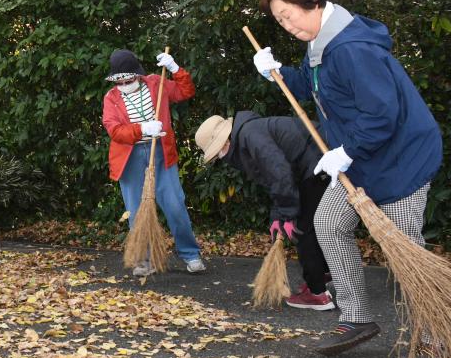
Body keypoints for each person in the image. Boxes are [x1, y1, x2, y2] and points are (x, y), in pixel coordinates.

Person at [252, 0, 442, 356]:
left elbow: (382, 114)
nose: (286, 26)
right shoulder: (319, 43)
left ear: (312, 1)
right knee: (328, 223)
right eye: (279, 20)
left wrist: (346, 151)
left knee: (404, 251)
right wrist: (277, 73)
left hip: (402, 160)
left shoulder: (352, 47)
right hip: (360, 159)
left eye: (287, 15)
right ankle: (356, 316)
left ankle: (434, 336)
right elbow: (308, 86)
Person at [194, 112, 333, 309]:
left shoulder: (251, 137)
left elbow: (281, 174)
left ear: (224, 142)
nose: (219, 158)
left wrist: (287, 214)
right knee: (311, 224)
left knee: (303, 229)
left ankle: (317, 292)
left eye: (216, 153)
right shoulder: (246, 138)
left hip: (319, 162)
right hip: (314, 163)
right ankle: (322, 273)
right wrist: (278, 216)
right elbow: (273, 179)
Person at [102, 49, 205, 276]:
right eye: (120, 81)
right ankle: (143, 260)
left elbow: (186, 91)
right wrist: (142, 129)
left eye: (129, 79)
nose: (125, 83)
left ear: (137, 74)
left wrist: (176, 69)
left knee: (175, 204)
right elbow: (115, 130)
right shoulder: (111, 98)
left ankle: (190, 254)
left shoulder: (156, 83)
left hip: (161, 153)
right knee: (137, 211)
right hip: (130, 159)